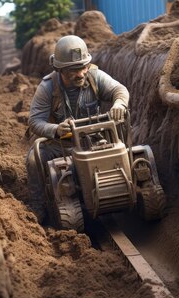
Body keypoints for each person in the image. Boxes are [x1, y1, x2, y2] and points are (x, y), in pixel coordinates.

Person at [26, 35, 129, 223]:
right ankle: (38, 206)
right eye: (74, 70)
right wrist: (56, 129)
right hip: (62, 145)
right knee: (34, 158)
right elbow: (34, 121)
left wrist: (119, 105)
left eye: (84, 67)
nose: (81, 73)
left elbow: (119, 90)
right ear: (60, 70)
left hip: (96, 141)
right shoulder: (48, 87)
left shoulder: (96, 77)